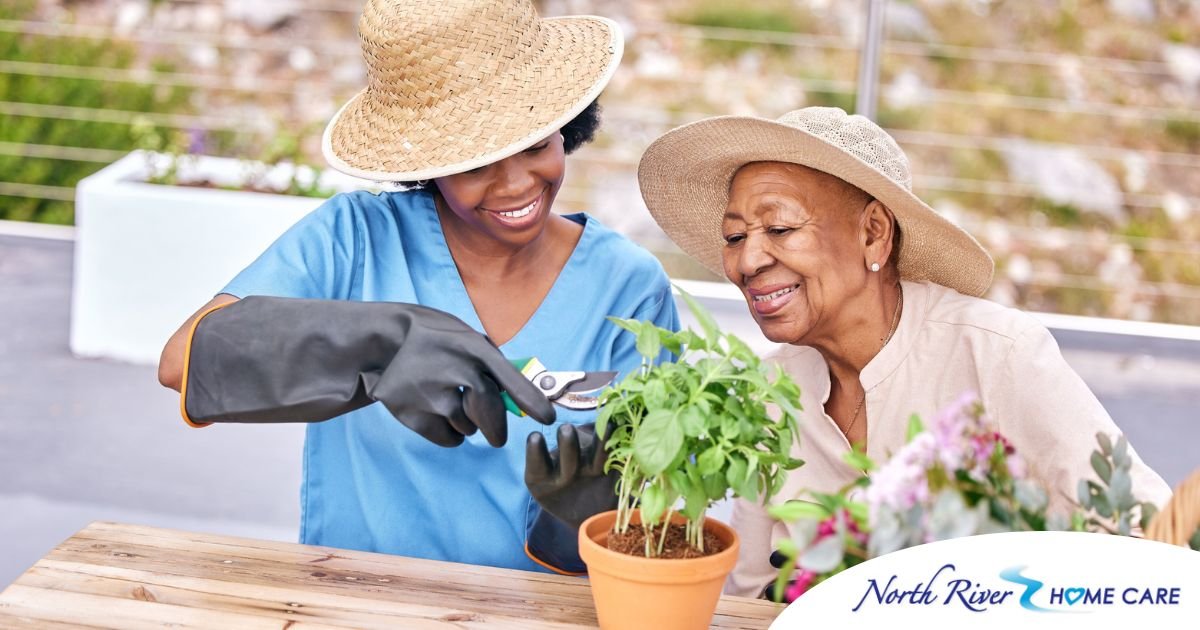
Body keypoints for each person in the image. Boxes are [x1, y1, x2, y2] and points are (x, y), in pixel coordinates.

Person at [157, 0, 678, 574]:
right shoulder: (355, 238)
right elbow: (184, 363)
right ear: (430, 160)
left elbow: (650, 486)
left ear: (569, 127)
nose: (516, 184)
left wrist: (578, 522)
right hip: (354, 600)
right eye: (477, 162)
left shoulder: (627, 287)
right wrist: (378, 345)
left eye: (536, 144)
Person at [635, 106, 1172, 597]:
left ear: (873, 234)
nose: (747, 261)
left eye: (779, 227)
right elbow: (750, 595)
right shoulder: (767, 396)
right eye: (734, 237)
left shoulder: (996, 354)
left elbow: (1151, 532)